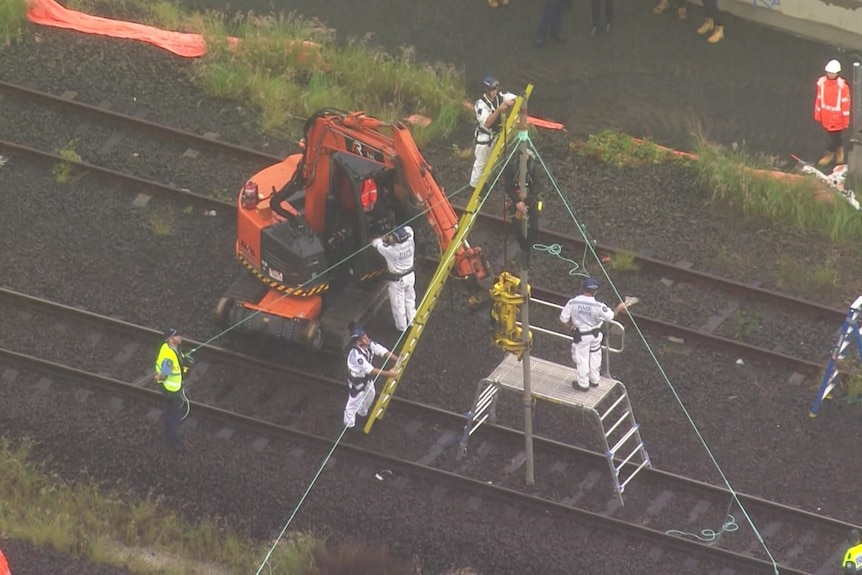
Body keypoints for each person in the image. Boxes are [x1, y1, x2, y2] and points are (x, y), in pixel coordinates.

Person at [558, 278, 628, 391]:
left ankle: (583, 384)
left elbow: (563, 318)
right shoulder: (598, 306)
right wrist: (619, 308)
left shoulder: (573, 302)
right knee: (595, 356)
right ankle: (595, 380)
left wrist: (571, 327)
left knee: (582, 358)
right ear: (596, 291)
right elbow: (610, 317)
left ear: (583, 288)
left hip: (581, 336)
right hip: (596, 335)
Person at [343, 324, 400, 429]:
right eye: (363, 338)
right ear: (358, 342)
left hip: (366, 379)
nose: (366, 338)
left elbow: (383, 351)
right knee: (353, 402)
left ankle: (362, 414)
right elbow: (371, 370)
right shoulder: (356, 355)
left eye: (365, 336)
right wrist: (389, 374)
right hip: (357, 380)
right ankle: (349, 426)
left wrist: (398, 359)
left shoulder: (369, 344)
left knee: (370, 395)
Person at [470, 76, 514, 190]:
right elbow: (487, 122)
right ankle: (473, 187)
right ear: (486, 90)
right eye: (492, 90)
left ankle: (484, 184)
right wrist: (499, 110)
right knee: (480, 164)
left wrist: (513, 101)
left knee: (491, 163)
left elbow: (511, 97)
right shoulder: (480, 104)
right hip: (485, 137)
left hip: (495, 136)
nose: (495, 92)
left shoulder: (499, 97)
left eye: (495, 89)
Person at [372, 226, 417, 332]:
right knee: (410, 300)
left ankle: (402, 329)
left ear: (396, 241)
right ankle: (413, 321)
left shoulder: (392, 251)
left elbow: (376, 243)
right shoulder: (410, 240)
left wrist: (383, 239)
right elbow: (408, 228)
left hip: (398, 281)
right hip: (410, 275)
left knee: (398, 305)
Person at [154, 328, 191, 452]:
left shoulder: (171, 348)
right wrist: (158, 377)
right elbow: (164, 374)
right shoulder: (169, 357)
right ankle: (173, 440)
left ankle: (167, 431)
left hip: (171, 388)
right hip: (172, 390)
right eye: (176, 336)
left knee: (169, 411)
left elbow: (177, 359)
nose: (180, 337)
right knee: (175, 415)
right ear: (170, 340)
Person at [503, 150, 543, 252]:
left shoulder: (534, 168)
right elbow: (508, 187)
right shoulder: (511, 167)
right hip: (515, 200)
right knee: (518, 228)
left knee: (534, 226)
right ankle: (523, 246)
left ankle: (530, 245)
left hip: (531, 200)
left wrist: (526, 203)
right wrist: (518, 202)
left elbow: (536, 187)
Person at [814, 59, 851, 167]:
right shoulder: (822, 84)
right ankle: (839, 151)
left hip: (837, 118)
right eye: (828, 72)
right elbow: (819, 99)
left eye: (832, 72)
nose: (830, 74)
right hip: (826, 116)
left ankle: (830, 154)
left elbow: (845, 104)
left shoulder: (842, 87)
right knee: (834, 136)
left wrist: (845, 120)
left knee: (835, 137)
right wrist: (818, 113)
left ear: (837, 73)